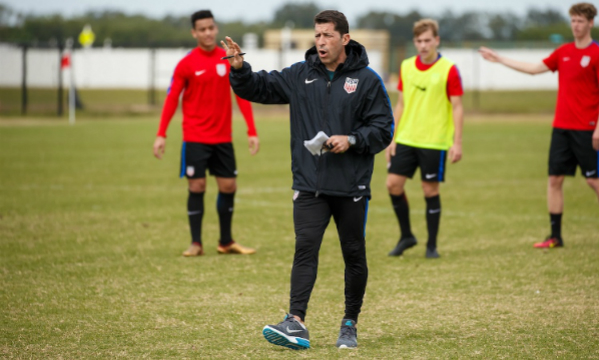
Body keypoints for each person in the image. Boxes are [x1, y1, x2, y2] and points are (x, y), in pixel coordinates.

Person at [222, 10, 393, 350]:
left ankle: (349, 324)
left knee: (353, 254)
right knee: (305, 249)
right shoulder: (300, 75)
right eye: (317, 35)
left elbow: (383, 129)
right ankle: (295, 321)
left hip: (351, 185)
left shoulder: (368, 80)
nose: (321, 42)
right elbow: (259, 87)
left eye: (328, 35)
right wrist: (240, 68)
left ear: (345, 39)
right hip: (309, 184)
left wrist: (353, 140)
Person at [479, 2, 599, 250]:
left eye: (581, 21)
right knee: (554, 179)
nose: (576, 26)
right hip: (561, 128)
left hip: (587, 129)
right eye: (573, 21)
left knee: (594, 181)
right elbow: (535, 69)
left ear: (591, 23)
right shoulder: (563, 51)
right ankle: (555, 236)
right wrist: (499, 58)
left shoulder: (598, 54)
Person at [153, 10, 259, 257]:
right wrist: (161, 134)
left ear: (216, 28)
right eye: (202, 29)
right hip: (195, 137)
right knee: (197, 185)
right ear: (194, 33)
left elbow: (241, 94)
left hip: (223, 137)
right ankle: (196, 243)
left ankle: (225, 241)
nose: (208, 33)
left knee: (229, 186)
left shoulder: (229, 59)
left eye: (211, 27)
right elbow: (171, 99)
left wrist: (251, 130)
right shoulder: (186, 64)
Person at [386, 19, 464, 259]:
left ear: (436, 40)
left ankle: (431, 245)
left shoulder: (449, 69)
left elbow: (458, 107)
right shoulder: (406, 66)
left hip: (435, 141)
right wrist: (392, 137)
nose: (423, 45)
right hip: (407, 137)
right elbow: (400, 103)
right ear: (414, 42)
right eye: (419, 41)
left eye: (427, 40)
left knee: (429, 190)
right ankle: (407, 236)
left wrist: (457, 142)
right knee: (393, 184)